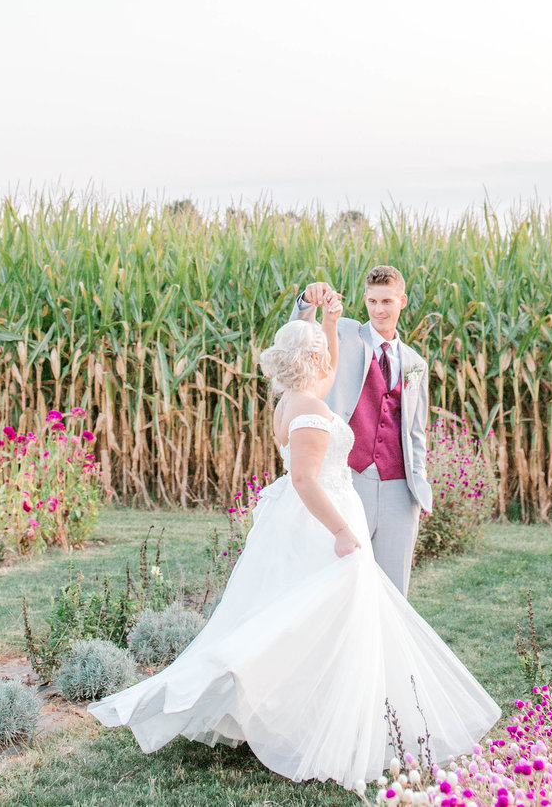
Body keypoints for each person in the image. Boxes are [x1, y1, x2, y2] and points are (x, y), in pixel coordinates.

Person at [88, 312, 500, 789]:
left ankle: (314, 711)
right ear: (307, 358)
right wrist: (343, 531)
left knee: (311, 619)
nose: (329, 359)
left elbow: (325, 375)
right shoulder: (307, 409)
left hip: (303, 518)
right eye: (320, 353)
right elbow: (305, 479)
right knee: (316, 619)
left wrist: (327, 321)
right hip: (319, 522)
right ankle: (302, 712)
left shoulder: (295, 399)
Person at [292, 266, 429, 595]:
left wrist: (419, 483)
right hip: (352, 479)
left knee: (394, 592)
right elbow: (301, 336)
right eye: (372, 302)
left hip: (400, 488)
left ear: (402, 301)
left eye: (387, 302)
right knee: (343, 583)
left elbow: (416, 432)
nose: (379, 310)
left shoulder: (415, 363)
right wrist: (306, 302)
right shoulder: (345, 333)